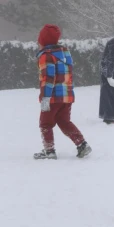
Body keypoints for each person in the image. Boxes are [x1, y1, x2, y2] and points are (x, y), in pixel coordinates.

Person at [33, 24, 92, 160]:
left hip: (52, 98)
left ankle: (49, 151)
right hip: (67, 96)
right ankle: (82, 144)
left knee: (45, 124)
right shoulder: (65, 54)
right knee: (64, 121)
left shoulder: (46, 56)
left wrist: (45, 98)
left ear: (43, 41)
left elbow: (48, 79)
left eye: (39, 40)